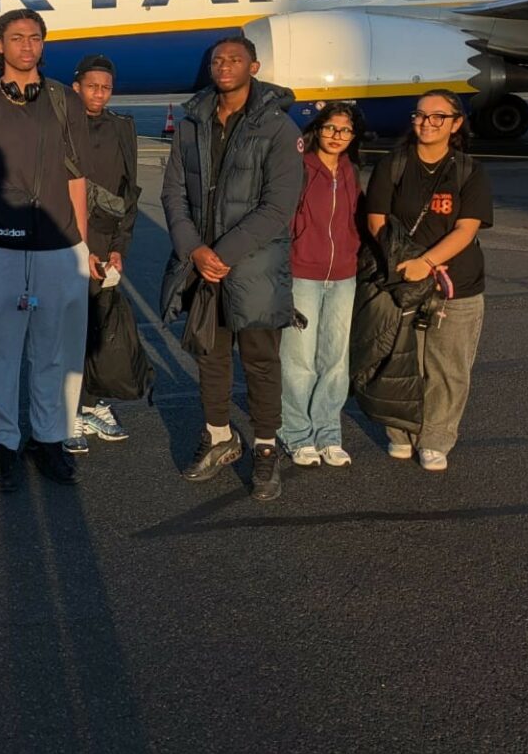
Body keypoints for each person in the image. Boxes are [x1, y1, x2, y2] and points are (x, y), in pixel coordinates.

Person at [160, 36, 304, 502]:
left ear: (254, 67)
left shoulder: (278, 127)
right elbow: (173, 193)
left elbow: (279, 206)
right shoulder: (192, 123)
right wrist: (194, 250)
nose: (224, 66)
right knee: (211, 354)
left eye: (235, 60)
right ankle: (219, 436)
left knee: (261, 361)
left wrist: (222, 252)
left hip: (254, 266)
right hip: (204, 265)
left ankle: (265, 448)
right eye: (217, 60)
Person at [0, 9, 91, 491]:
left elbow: (77, 177)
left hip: (59, 246)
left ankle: (51, 437)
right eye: (16, 38)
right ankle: (0, 443)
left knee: (56, 349)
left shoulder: (63, 101)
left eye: (35, 38)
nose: (27, 46)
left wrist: (82, 245)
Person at [364, 89, 492, 471]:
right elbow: (377, 220)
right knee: (400, 362)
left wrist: (428, 262)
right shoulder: (393, 164)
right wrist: (405, 264)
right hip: (403, 280)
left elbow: (466, 229)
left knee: (448, 369)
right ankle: (401, 432)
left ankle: (436, 438)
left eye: (438, 116)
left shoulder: (469, 170)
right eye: (420, 115)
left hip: (457, 284)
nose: (427, 123)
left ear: (455, 124)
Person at [279, 103, 364, 469]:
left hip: (343, 275)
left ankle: (328, 433)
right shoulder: (300, 167)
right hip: (303, 273)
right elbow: (284, 220)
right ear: (318, 129)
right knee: (299, 359)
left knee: (335, 360)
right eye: (331, 128)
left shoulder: (350, 170)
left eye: (345, 130)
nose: (336, 136)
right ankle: (296, 433)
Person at [67, 53, 140, 452]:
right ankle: (67, 413)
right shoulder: (62, 127)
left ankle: (92, 403)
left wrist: (118, 248)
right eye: (92, 86)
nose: (99, 94)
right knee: (67, 330)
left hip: (106, 241)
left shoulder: (121, 128)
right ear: (76, 87)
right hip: (68, 241)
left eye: (106, 88)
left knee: (100, 329)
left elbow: (129, 193)